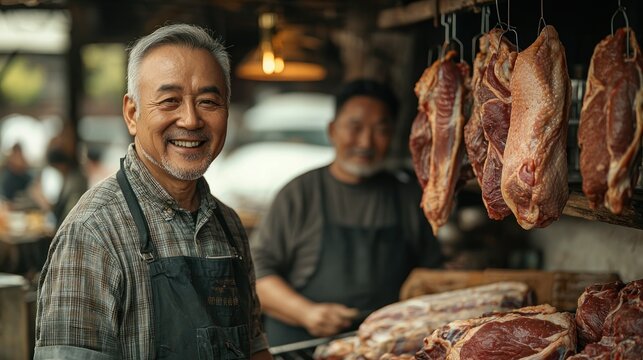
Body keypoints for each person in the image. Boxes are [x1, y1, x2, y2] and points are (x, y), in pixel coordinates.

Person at [34, 24, 272, 360]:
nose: (190, 120)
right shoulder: (92, 232)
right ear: (132, 114)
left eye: (207, 101)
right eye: (170, 101)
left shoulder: (229, 225)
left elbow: (255, 347)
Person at [251, 79, 443, 346]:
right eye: (355, 127)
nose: (365, 142)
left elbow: (433, 277)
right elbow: (255, 273)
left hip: (385, 349)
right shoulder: (300, 194)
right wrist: (306, 313)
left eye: (380, 130)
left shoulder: (409, 196)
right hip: (304, 347)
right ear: (332, 130)